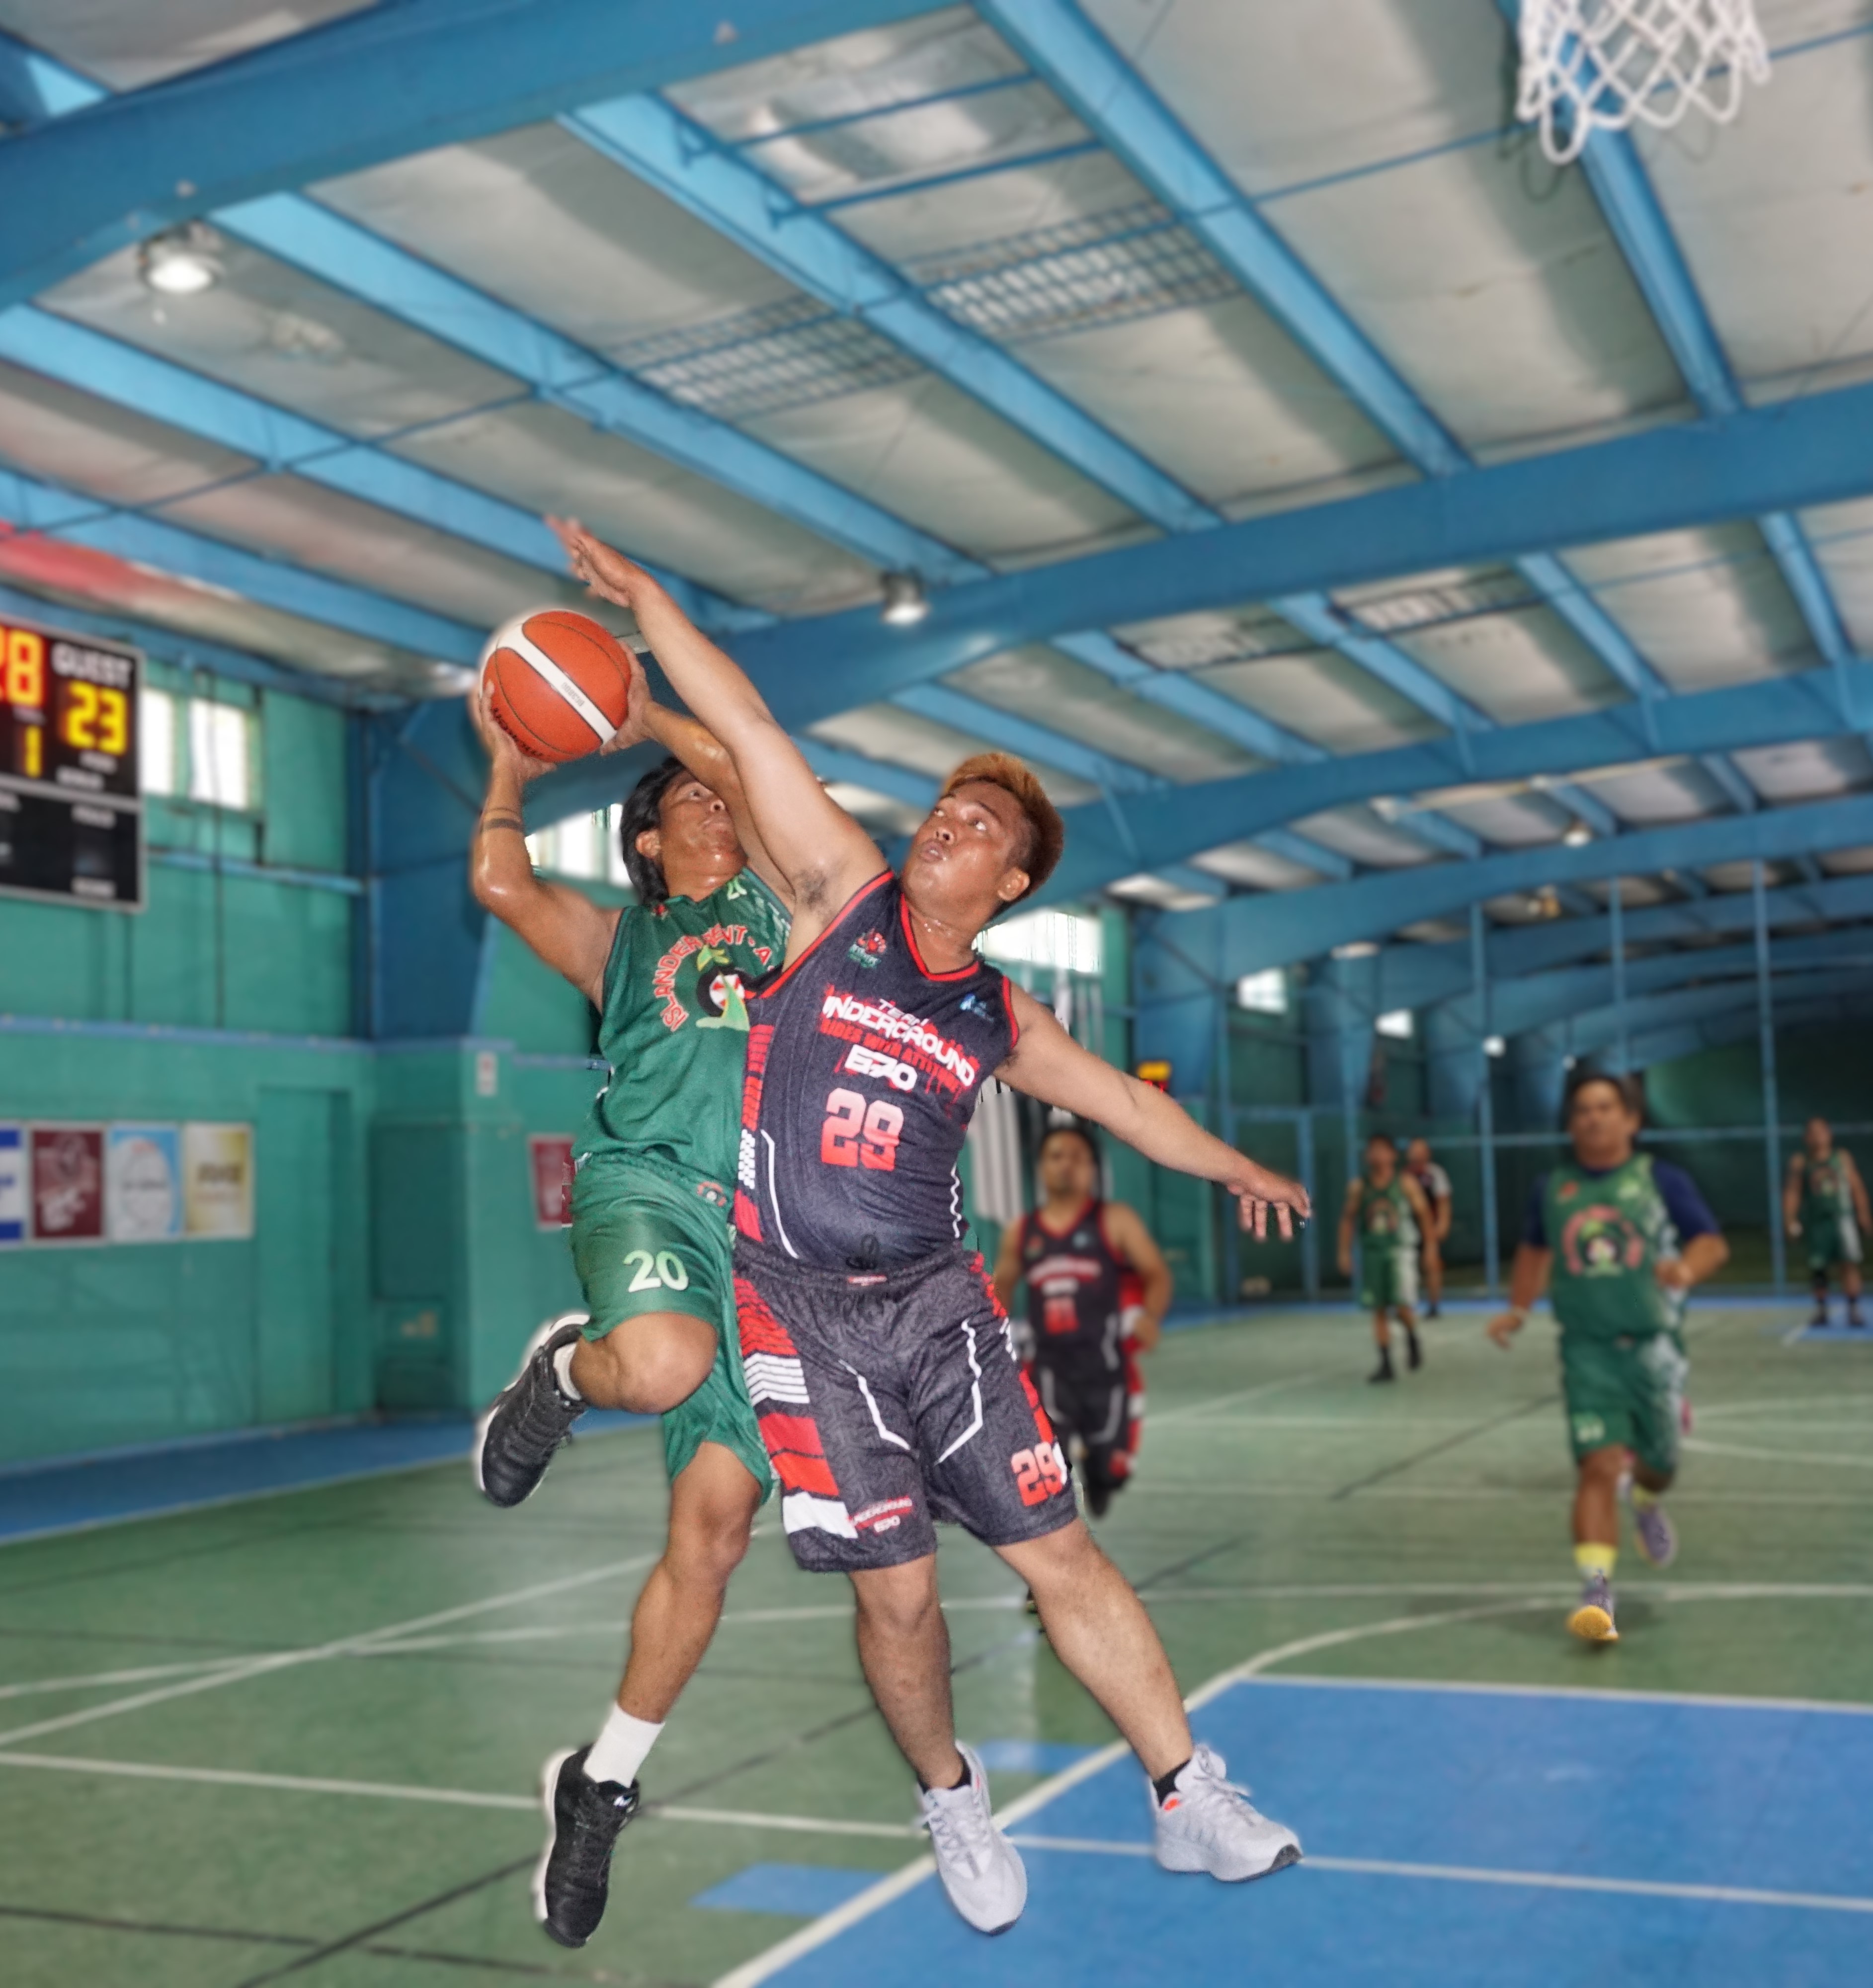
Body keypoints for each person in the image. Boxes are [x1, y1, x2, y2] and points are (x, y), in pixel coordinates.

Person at [553, 518, 1312, 1937]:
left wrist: (1237, 1168)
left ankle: (1186, 1793)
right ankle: (952, 1796)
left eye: (979, 828)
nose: (947, 824)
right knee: (898, 1598)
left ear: (1012, 884)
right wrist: (648, 603)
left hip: (937, 1305)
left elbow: (1130, 1107)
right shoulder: (837, 893)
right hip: (797, 1313)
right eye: (946, 809)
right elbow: (747, 726)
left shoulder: (995, 1011)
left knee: (1059, 1550)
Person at [465, 665, 791, 1948]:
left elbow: (756, 771)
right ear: (646, 839)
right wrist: (510, 761)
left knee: (714, 1537)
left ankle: (597, 1785)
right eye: (687, 799)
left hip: (770, 1245)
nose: (717, 803)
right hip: (647, 1190)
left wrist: (665, 719)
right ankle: (566, 1370)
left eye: (722, 795)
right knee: (655, 1363)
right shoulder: (620, 943)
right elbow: (502, 882)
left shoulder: (787, 908)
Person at [1487, 1069, 1727, 1643]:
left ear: (1631, 1119)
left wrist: (1686, 1268)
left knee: (1660, 1464)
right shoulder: (1553, 1188)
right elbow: (1534, 1251)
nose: (1592, 1118)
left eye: (1603, 1107)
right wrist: (1518, 1308)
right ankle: (1596, 1594)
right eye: (1581, 1110)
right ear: (1570, 1124)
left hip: (1653, 1350)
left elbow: (1710, 1242)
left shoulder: (1660, 1180)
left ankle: (1645, 1500)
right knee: (1595, 1467)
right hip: (1586, 1351)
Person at [991, 1122, 1172, 1518]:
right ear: (1041, 1167)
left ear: (1092, 1168)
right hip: (1048, 1367)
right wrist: (993, 1341)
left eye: (1076, 1157)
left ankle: (1102, 1473)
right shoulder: (1022, 1231)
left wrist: (1150, 1316)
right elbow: (1000, 1289)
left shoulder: (1114, 1221)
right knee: (1047, 1466)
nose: (1066, 1166)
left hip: (1104, 1366)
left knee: (1110, 1472)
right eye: (1056, 1157)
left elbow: (1156, 1273)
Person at [1338, 1134, 1438, 1384]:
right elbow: (1348, 1220)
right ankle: (1385, 1364)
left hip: (1400, 1252)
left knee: (1402, 1306)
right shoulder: (1359, 1187)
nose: (1377, 1155)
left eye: (1383, 1150)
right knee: (1379, 1308)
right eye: (1373, 1150)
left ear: (1393, 1155)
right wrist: (1344, 1252)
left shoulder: (1405, 1184)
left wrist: (1430, 1248)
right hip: (1373, 1253)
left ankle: (1412, 1335)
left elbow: (1424, 1215)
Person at [1784, 1117, 1868, 1328]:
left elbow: (1856, 1186)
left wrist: (1863, 1213)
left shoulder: (1841, 1158)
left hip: (1842, 1219)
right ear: (1806, 1138)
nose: (1818, 1137)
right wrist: (1790, 1219)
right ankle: (1822, 1310)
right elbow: (1793, 1192)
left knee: (1849, 1263)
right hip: (1817, 1223)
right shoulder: (1802, 1162)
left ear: (1829, 1134)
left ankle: (1853, 1309)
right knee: (1818, 1267)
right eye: (1813, 1132)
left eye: (1821, 1131)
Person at [1404, 1137, 1453, 1317]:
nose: (1417, 1154)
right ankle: (1407, 1305)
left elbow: (1444, 1202)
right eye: (1414, 1150)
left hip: (1429, 1229)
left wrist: (1443, 1224)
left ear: (1427, 1154)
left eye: (1420, 1150)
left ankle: (1434, 1306)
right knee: (1407, 1267)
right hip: (1408, 1229)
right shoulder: (1404, 1175)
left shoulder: (1436, 1174)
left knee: (1431, 1264)